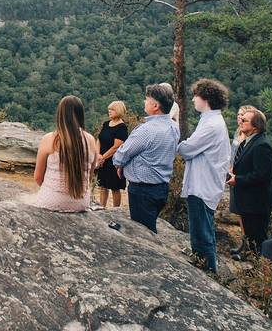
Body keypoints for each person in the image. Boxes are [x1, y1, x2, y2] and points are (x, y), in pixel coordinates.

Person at [177, 78, 232, 273]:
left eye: (196, 96)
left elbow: (188, 149)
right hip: (203, 182)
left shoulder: (211, 125)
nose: (193, 100)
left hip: (203, 184)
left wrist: (179, 143)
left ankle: (208, 269)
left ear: (206, 98)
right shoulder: (211, 121)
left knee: (202, 231)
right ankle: (201, 262)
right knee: (200, 227)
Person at [111, 84, 180, 233]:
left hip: (143, 190)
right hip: (161, 187)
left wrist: (119, 164)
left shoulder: (146, 130)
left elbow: (121, 154)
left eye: (147, 99)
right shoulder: (173, 127)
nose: (144, 102)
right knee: (148, 227)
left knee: (144, 232)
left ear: (155, 106)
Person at [34, 96, 101, 212]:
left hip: (51, 201)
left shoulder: (49, 139)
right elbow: (89, 176)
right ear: (81, 115)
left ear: (60, 115)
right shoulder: (90, 139)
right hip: (81, 202)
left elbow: (38, 178)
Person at [226, 106, 272, 256]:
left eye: (244, 120)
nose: (240, 121)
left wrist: (238, 180)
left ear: (255, 126)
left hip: (257, 202)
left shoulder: (262, 145)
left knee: (258, 239)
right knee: (251, 235)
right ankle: (252, 261)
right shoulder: (248, 141)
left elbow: (262, 175)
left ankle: (259, 271)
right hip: (249, 200)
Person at [95, 101, 130, 208]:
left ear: (119, 111)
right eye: (109, 109)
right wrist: (98, 155)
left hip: (114, 162)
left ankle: (115, 211)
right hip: (102, 161)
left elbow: (116, 147)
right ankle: (102, 208)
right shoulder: (106, 124)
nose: (109, 111)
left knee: (115, 188)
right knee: (102, 186)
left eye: (112, 109)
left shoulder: (122, 127)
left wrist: (103, 157)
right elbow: (99, 139)